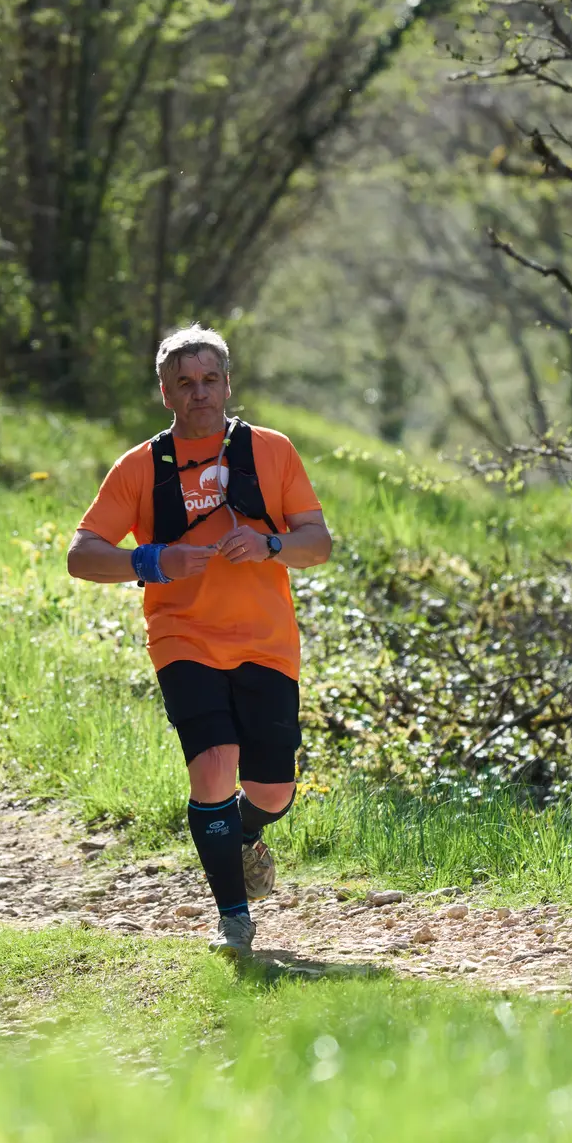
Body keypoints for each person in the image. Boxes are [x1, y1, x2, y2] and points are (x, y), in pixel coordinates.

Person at [66, 324, 332, 959]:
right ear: (165, 393)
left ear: (227, 384)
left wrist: (270, 544)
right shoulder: (139, 468)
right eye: (184, 383)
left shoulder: (272, 452)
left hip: (266, 641)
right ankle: (233, 919)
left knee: (273, 790)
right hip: (183, 638)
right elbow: (82, 555)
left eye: (210, 380)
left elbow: (317, 543)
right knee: (212, 767)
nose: (199, 393)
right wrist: (153, 561)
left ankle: (238, 837)